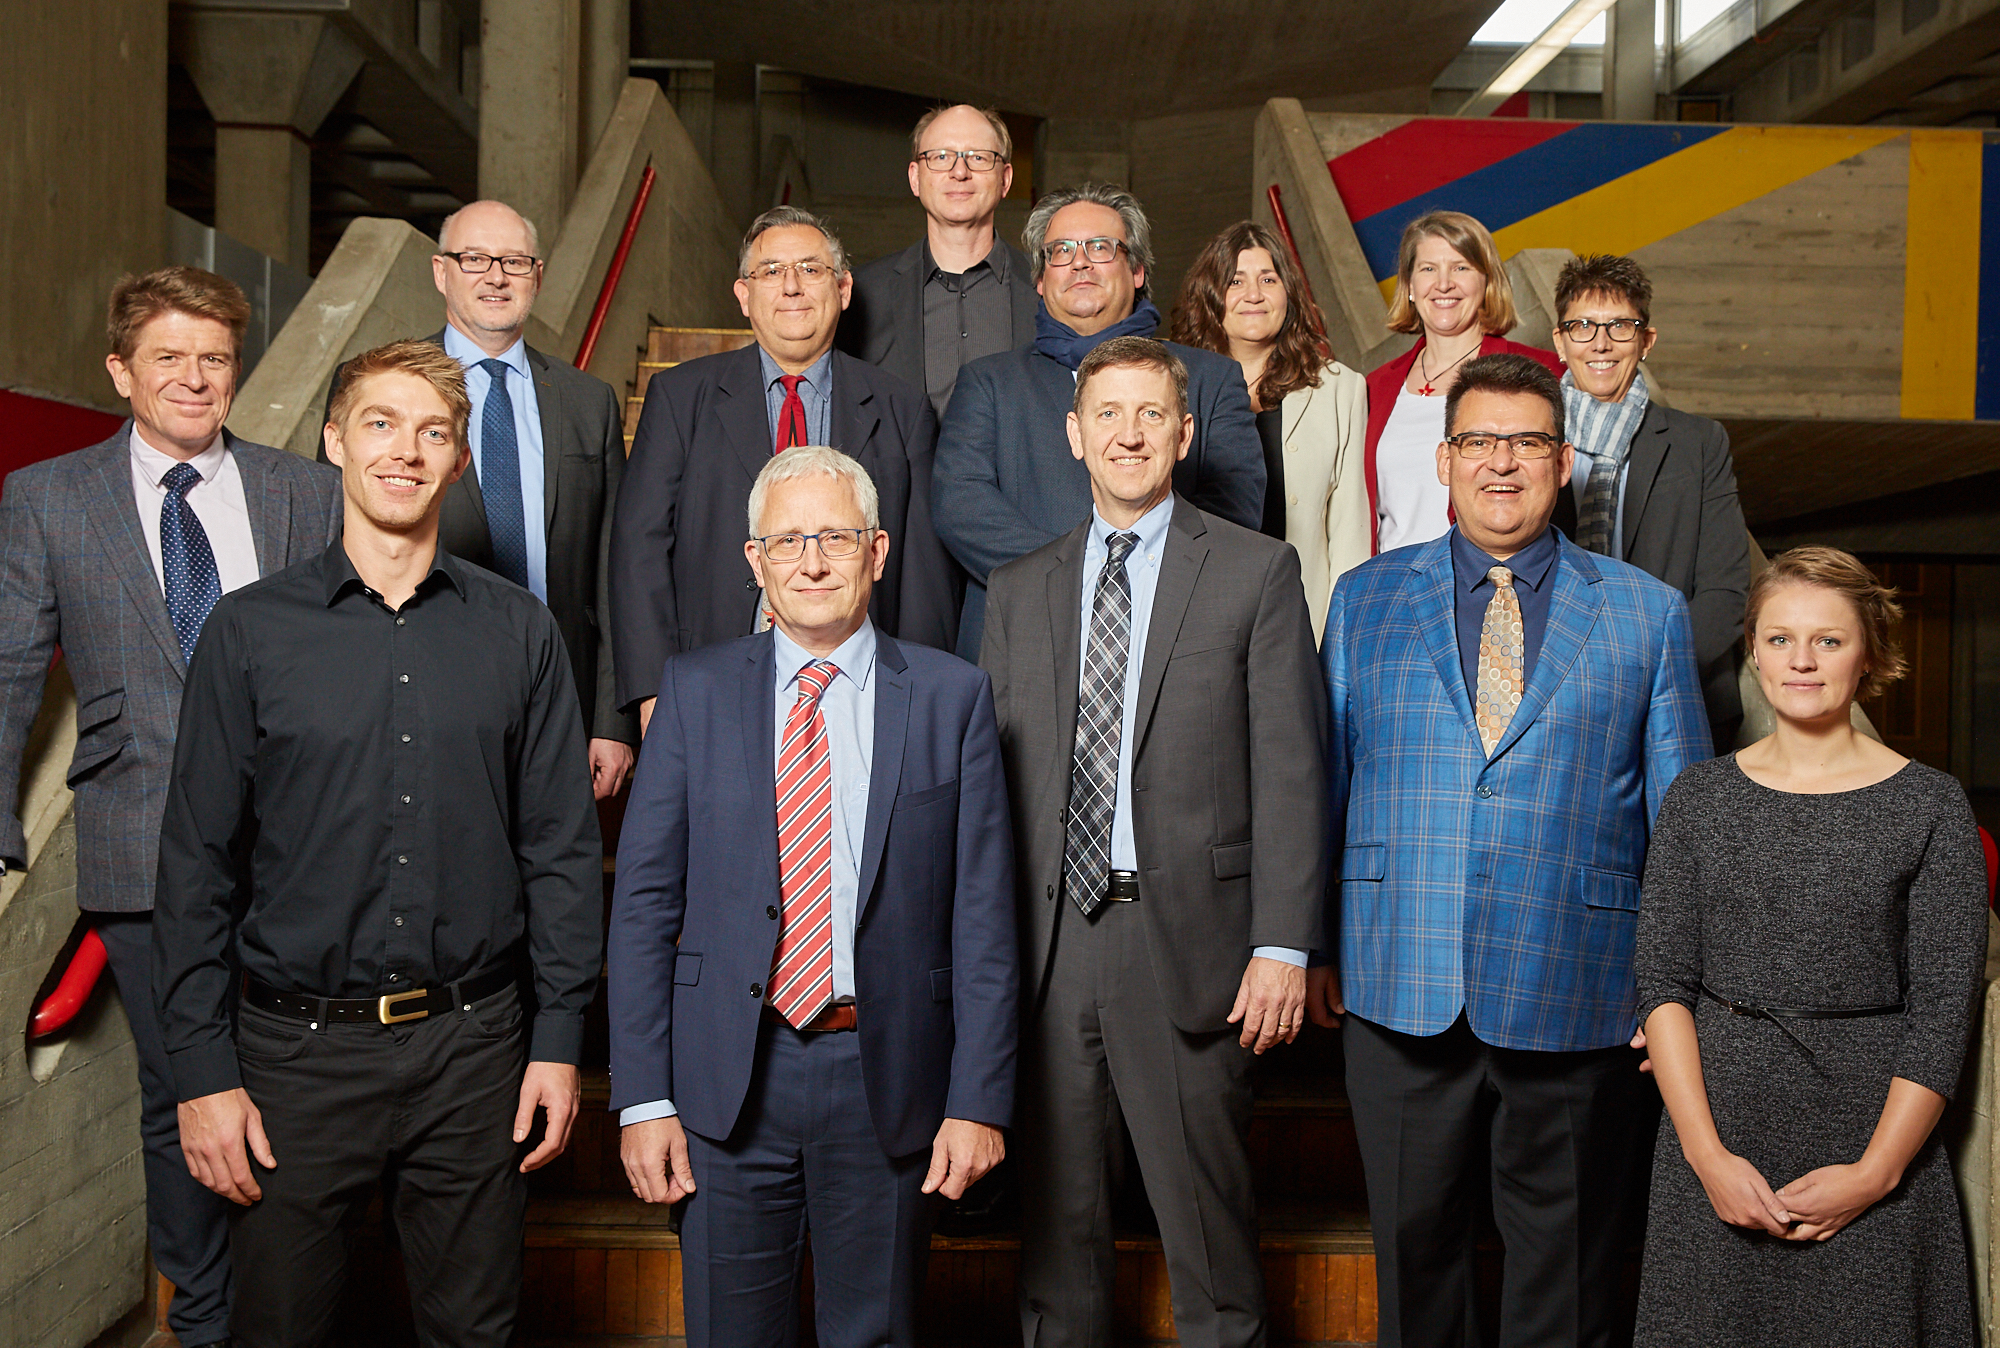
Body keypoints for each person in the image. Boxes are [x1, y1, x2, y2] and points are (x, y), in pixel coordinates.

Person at [154, 340, 603, 1348]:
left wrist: (559, 1040)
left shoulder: (520, 631)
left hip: (474, 1051)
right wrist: (201, 1071)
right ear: (334, 442)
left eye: (433, 432)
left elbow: (561, 851)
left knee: (473, 1333)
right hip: (292, 1058)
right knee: (278, 1330)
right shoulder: (248, 632)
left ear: (460, 461)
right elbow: (195, 867)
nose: (405, 450)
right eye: (380, 424)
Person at [1314, 353, 1710, 1348]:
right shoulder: (1362, 600)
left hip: (1580, 991)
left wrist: (1670, 987)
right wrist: (1310, 943)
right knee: (1415, 1270)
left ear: (1563, 462)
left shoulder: (1645, 611)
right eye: (1479, 441)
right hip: (1397, 983)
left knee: (1567, 1283)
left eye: (1527, 441)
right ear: (1443, 461)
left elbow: (1684, 826)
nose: (1502, 461)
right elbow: (1324, 782)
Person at [0, 266, 342, 1348]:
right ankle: (203, 1320)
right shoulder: (50, 498)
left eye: (215, 358)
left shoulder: (306, 491)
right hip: (138, 840)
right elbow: (10, 665)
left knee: (295, 1093)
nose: (194, 378)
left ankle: (288, 1311)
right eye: (168, 357)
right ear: (121, 371)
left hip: (297, 849)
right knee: (180, 1089)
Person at [610, 445, 1018, 1348]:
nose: (813, 561)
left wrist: (978, 1099)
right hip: (726, 1080)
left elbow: (985, 920)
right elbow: (642, 908)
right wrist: (642, 1099)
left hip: (888, 1077)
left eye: (835, 536)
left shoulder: (953, 697)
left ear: (877, 551)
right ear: (754, 561)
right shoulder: (691, 690)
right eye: (787, 541)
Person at [981, 337, 1326, 1348]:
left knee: (1209, 1243)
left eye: (1148, 415)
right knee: (1057, 1244)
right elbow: (991, 788)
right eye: (1108, 414)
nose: (1127, 434)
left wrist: (1282, 944)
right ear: (1073, 435)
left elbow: (1292, 770)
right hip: (1049, 945)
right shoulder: (1019, 588)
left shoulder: (1255, 571)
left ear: (1182, 434)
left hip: (1189, 941)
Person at [1633, 547, 1987, 1347]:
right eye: (1780, 638)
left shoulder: (1932, 806)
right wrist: (1707, 1159)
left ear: (1870, 655)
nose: (1802, 660)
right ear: (1753, 652)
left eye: (1828, 640)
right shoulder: (1699, 797)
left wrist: (1875, 1174)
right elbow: (1662, 981)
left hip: (1874, 1133)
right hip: (1719, 1131)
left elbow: (1941, 1012)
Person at [322, 198, 637, 798]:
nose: (496, 277)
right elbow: (336, 546)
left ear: (537, 277)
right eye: (474, 259)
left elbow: (612, 568)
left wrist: (611, 718)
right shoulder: (377, 389)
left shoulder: (588, 401)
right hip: (418, 687)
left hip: (558, 691)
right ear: (441, 272)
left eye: (514, 262)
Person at [613, 206, 958, 733]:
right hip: (708, 682)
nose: (792, 286)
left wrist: (918, 693)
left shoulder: (901, 408)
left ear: (843, 289)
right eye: (771, 271)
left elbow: (923, 576)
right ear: (744, 295)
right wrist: (652, 690)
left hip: (861, 687)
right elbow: (639, 548)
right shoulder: (679, 397)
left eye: (811, 269)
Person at [934, 183, 1266, 661]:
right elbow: (961, 506)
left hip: (1170, 637)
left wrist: (1140, 578)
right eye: (1061, 251)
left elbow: (1234, 505)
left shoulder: (1211, 379)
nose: (1080, 263)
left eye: (1100, 247)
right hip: (1022, 636)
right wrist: (1083, 574)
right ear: (1040, 279)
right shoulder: (987, 382)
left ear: (1137, 270)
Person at [1549, 253, 1751, 750]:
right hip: (1554, 702)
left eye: (1620, 326)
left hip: (1676, 699)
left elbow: (1725, 592)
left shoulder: (1698, 443)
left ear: (1646, 341)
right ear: (1559, 341)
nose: (1600, 343)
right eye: (1582, 326)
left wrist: (1642, 676)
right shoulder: (1530, 440)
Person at [1170, 219, 1368, 640]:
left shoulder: (1340, 388)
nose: (1254, 294)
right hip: (1198, 617)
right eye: (1235, 281)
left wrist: (1342, 641)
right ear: (1210, 296)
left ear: (1288, 293)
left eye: (1268, 279)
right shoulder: (1173, 386)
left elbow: (1349, 531)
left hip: (1300, 617)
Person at [1363, 210, 1562, 556]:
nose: (1444, 284)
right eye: (1428, 269)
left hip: (1494, 575)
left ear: (1487, 282)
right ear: (1409, 286)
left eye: (1460, 268)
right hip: (1394, 578)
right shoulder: (1375, 386)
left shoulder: (1542, 372)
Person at [840, 104, 1038, 416]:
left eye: (978, 157)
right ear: (915, 178)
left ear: (1005, 179)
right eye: (941, 157)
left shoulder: (1048, 288)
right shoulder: (861, 296)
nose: (959, 172)